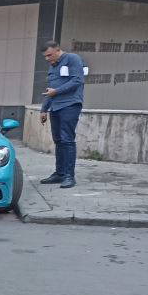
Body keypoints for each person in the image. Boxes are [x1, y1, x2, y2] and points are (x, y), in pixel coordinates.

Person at [38, 41, 85, 189]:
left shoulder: (72, 59)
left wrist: (56, 92)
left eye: (49, 55)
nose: (47, 59)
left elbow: (78, 80)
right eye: (45, 56)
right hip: (55, 107)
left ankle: (69, 176)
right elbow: (50, 90)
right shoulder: (53, 66)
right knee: (58, 140)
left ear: (58, 50)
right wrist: (44, 109)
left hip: (70, 105)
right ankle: (60, 173)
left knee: (67, 140)